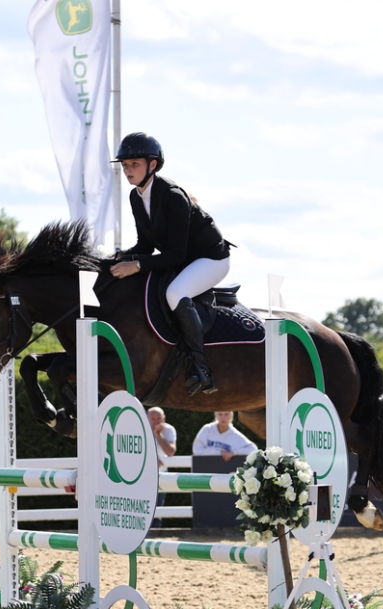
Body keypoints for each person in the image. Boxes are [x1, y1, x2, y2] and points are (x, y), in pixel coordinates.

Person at [110, 132, 231, 396]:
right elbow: (145, 245)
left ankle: (200, 368)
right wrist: (116, 258)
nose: (128, 170)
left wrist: (137, 266)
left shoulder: (173, 196)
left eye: (134, 164)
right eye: (125, 165)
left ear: (152, 165)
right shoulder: (136, 196)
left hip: (210, 259)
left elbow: (175, 255)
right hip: (183, 258)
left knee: (175, 292)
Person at [147, 407, 177, 529]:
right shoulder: (140, 428)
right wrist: (151, 458)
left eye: (158, 418)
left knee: (158, 508)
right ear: (147, 419)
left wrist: (158, 435)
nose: (156, 422)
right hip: (142, 475)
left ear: (164, 418)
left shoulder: (169, 429)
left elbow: (170, 451)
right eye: (153, 419)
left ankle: (155, 535)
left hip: (161, 473)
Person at [192, 411, 257, 463]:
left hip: (224, 472)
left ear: (231, 416)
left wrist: (234, 453)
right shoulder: (207, 429)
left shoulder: (235, 435)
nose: (223, 418)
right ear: (216, 415)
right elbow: (196, 450)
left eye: (226, 414)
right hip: (205, 468)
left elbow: (253, 449)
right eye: (220, 414)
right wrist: (219, 453)